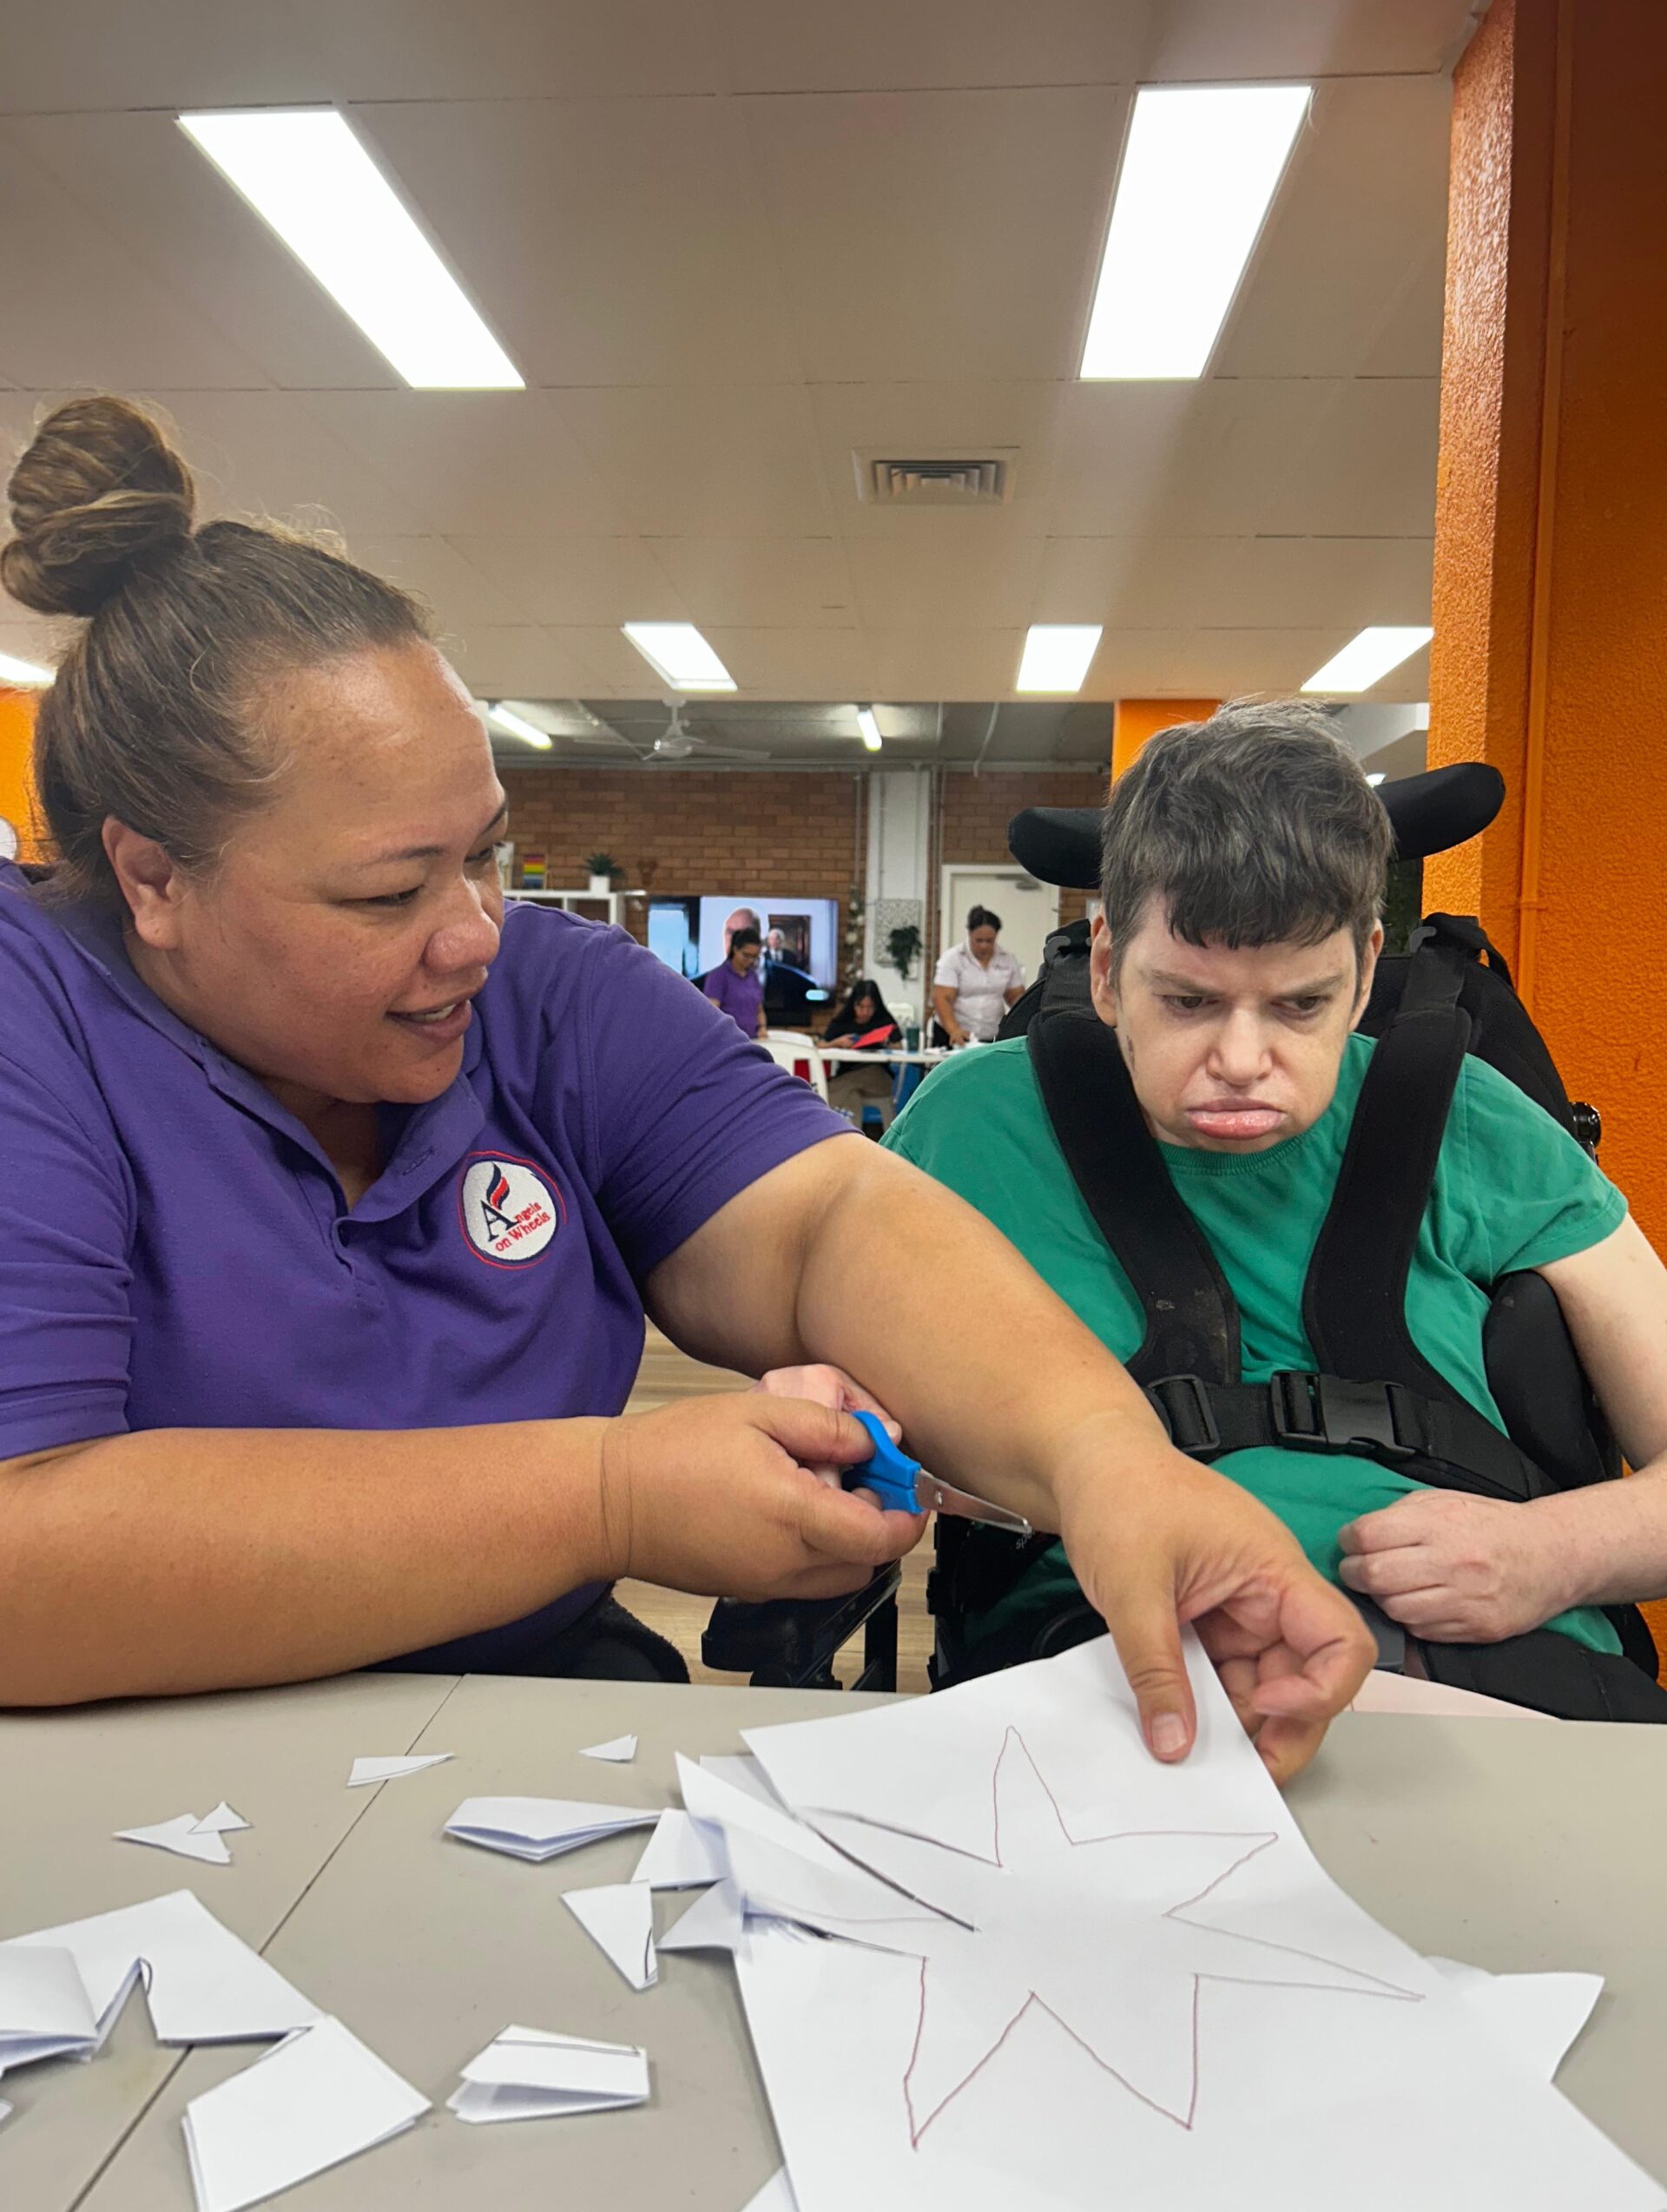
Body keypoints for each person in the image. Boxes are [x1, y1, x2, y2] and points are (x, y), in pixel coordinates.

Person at [0, 398, 1374, 1778]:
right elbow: (25, 1561)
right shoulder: (31, 1015)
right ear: (152, 882)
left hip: (522, 1730)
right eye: (387, 891)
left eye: (485, 855)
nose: (473, 928)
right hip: (126, 1769)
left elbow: (825, 1222)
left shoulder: (541, 993)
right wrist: (610, 1496)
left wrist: (1108, 1462)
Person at [886, 701, 1667, 1719]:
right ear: (1112, 970)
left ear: (1363, 972)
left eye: (1301, 1004)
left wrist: (1553, 1554)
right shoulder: (975, 1126)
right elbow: (836, 1410)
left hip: (1502, 1670)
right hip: (1106, 1676)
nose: (1243, 1060)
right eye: (1190, 1001)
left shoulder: (1471, 1122)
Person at [932, 905, 1025, 1046]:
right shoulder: (953, 958)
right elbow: (942, 998)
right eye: (979, 940)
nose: (984, 946)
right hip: (955, 1034)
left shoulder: (1008, 959)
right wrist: (954, 1030)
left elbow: (1015, 996)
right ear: (969, 934)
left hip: (991, 1035)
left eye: (989, 941)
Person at [820, 979, 901, 1130]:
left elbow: (900, 1046)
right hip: (848, 1075)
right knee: (852, 1096)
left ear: (876, 1006)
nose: (865, 1012)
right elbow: (820, 1045)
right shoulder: (843, 1022)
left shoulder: (884, 1020)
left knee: (831, 1087)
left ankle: (823, 1111)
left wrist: (887, 1043)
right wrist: (837, 1042)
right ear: (853, 1004)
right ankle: (855, 1137)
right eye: (861, 1007)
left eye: (870, 1007)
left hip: (878, 1077)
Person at [702, 924, 769, 1039]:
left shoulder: (753, 977)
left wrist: (762, 1028)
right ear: (735, 949)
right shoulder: (718, 976)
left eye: (755, 957)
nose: (751, 961)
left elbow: (759, 1011)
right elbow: (711, 1014)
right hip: (726, 1043)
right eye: (746, 955)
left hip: (751, 1041)